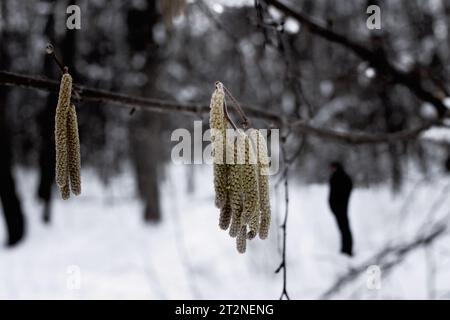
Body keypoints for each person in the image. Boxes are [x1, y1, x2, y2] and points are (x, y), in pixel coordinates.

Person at [328, 162, 353, 256]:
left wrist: (342, 200)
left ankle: (347, 250)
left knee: (344, 228)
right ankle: (345, 249)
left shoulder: (341, 177)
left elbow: (347, 189)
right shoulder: (336, 177)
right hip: (338, 208)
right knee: (343, 228)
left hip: (341, 207)